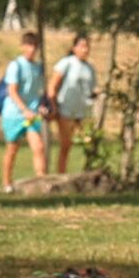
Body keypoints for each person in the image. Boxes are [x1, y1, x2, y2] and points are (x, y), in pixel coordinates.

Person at [0, 31, 48, 192]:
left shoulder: (38, 67)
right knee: (12, 149)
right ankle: (7, 183)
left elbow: (38, 90)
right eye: (29, 45)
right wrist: (24, 109)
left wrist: (40, 105)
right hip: (14, 113)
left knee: (39, 147)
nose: (32, 49)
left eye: (34, 46)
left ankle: (41, 181)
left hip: (32, 114)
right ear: (22, 47)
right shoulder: (16, 66)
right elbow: (12, 91)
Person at [49, 33, 97, 175]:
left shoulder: (89, 68)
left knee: (90, 143)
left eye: (87, 46)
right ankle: (61, 174)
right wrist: (53, 105)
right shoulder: (67, 63)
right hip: (66, 110)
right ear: (74, 48)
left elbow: (91, 89)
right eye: (82, 46)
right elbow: (53, 85)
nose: (85, 50)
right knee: (66, 145)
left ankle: (88, 172)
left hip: (83, 112)